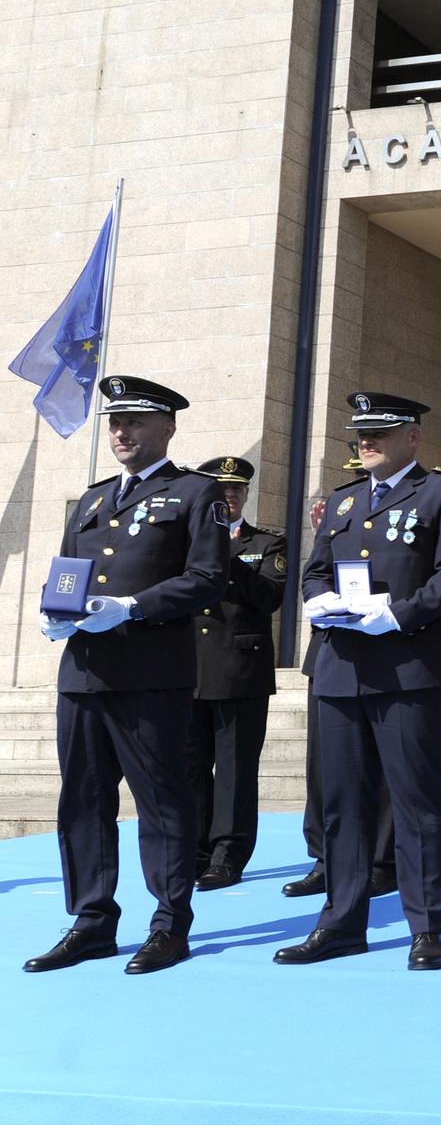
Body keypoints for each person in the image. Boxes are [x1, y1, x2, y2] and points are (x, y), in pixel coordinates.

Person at [25, 376, 227, 975]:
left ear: (167, 427)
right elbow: (68, 574)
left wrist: (133, 608)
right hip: (84, 672)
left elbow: (207, 577)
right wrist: (53, 611)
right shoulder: (91, 500)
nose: (121, 431)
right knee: (83, 800)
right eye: (115, 422)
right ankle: (91, 920)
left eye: (135, 421)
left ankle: (169, 923)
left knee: (161, 800)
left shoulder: (195, 493)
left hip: (150, 673)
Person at [275, 391, 441, 972]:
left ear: (413, 437)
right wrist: (322, 603)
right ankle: (342, 921)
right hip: (339, 668)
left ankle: (425, 926)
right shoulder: (341, 502)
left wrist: (397, 614)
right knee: (341, 804)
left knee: (416, 802)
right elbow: (314, 571)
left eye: (380, 432)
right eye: (361, 433)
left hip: (406, 669)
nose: (367, 441)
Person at [284, 458, 396, 902]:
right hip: (332, 653)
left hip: (385, 649)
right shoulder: (338, 511)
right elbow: (317, 572)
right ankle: (325, 857)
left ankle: (382, 862)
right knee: (325, 768)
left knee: (381, 767)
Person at [188, 456, 287, 891]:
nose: (229, 496)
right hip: (187, 667)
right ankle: (193, 850)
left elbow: (269, 597)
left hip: (239, 668)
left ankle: (227, 855)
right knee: (189, 766)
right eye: (221, 490)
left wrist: (225, 555)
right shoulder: (185, 539)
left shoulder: (266, 542)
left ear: (246, 494)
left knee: (234, 768)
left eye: (236, 490)